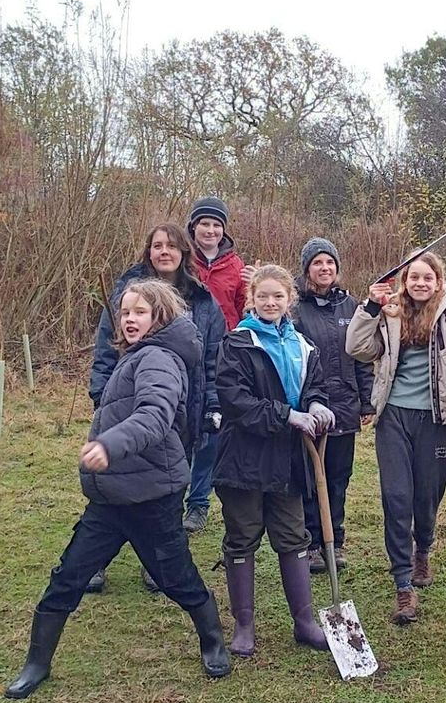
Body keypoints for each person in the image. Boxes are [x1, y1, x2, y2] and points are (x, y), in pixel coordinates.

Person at [5, 279, 230, 698]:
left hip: (151, 498)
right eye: (125, 312)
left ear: (159, 317)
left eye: (140, 312)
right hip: (109, 501)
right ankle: (37, 662)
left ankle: (213, 640)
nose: (129, 319)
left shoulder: (159, 360)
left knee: (177, 578)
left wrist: (109, 445)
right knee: (69, 576)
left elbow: (155, 416)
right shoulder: (135, 356)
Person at [346, 252, 446, 625]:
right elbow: (357, 347)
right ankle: (403, 581)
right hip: (394, 417)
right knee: (396, 497)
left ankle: (424, 548)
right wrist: (369, 306)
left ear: (438, 281)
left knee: (427, 495)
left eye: (427, 278)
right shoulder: (389, 312)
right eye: (413, 277)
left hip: (436, 418)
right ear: (405, 281)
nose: (420, 283)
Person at [86, 223, 226, 594]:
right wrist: (101, 394)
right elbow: (105, 348)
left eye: (171, 246)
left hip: (182, 406)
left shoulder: (202, 300)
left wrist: (212, 404)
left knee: (166, 485)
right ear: (148, 251)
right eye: (157, 245)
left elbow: (212, 358)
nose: (164, 251)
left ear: (184, 252)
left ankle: (158, 561)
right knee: (114, 478)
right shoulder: (125, 293)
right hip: (124, 404)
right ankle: (95, 560)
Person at [213, 264, 336, 657]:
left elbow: (315, 384)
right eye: (263, 296)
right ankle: (244, 625)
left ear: (289, 300)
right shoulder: (238, 343)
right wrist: (286, 416)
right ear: (251, 299)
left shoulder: (303, 345)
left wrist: (317, 404)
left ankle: (304, 622)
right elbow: (236, 401)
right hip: (244, 461)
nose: (270, 302)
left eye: (278, 296)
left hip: (288, 461)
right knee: (242, 537)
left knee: (292, 537)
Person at [290, 238, 375, 574]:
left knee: (339, 477)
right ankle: (311, 542)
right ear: (307, 269)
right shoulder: (296, 308)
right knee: (312, 477)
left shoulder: (349, 305)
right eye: (317, 263)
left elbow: (361, 357)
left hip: (345, 405)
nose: (324, 269)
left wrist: (365, 401)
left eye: (330, 263)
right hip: (311, 405)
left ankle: (334, 541)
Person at [187, 196, 248, 329]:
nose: (210, 231)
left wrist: (256, 286)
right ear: (194, 227)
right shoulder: (181, 258)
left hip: (226, 339)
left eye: (217, 225)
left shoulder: (236, 265)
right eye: (205, 224)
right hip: (189, 337)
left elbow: (244, 308)